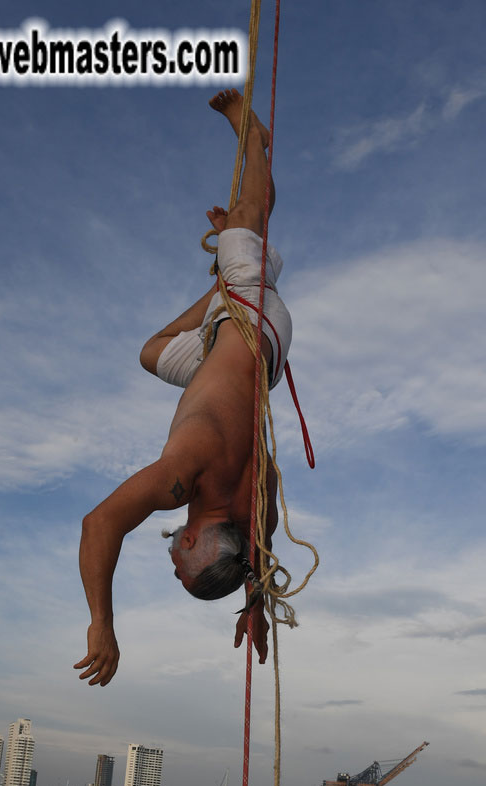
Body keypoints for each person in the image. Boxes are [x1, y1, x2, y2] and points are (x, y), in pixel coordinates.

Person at [75, 87, 292, 687]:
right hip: (254, 323)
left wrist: (255, 602)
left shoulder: (252, 510)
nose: (170, 564)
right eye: (181, 568)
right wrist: (102, 624)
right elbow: (99, 524)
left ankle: (223, 278)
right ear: (195, 538)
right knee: (255, 213)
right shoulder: (184, 473)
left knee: (152, 354)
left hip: (245, 344)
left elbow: (258, 548)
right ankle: (253, 136)